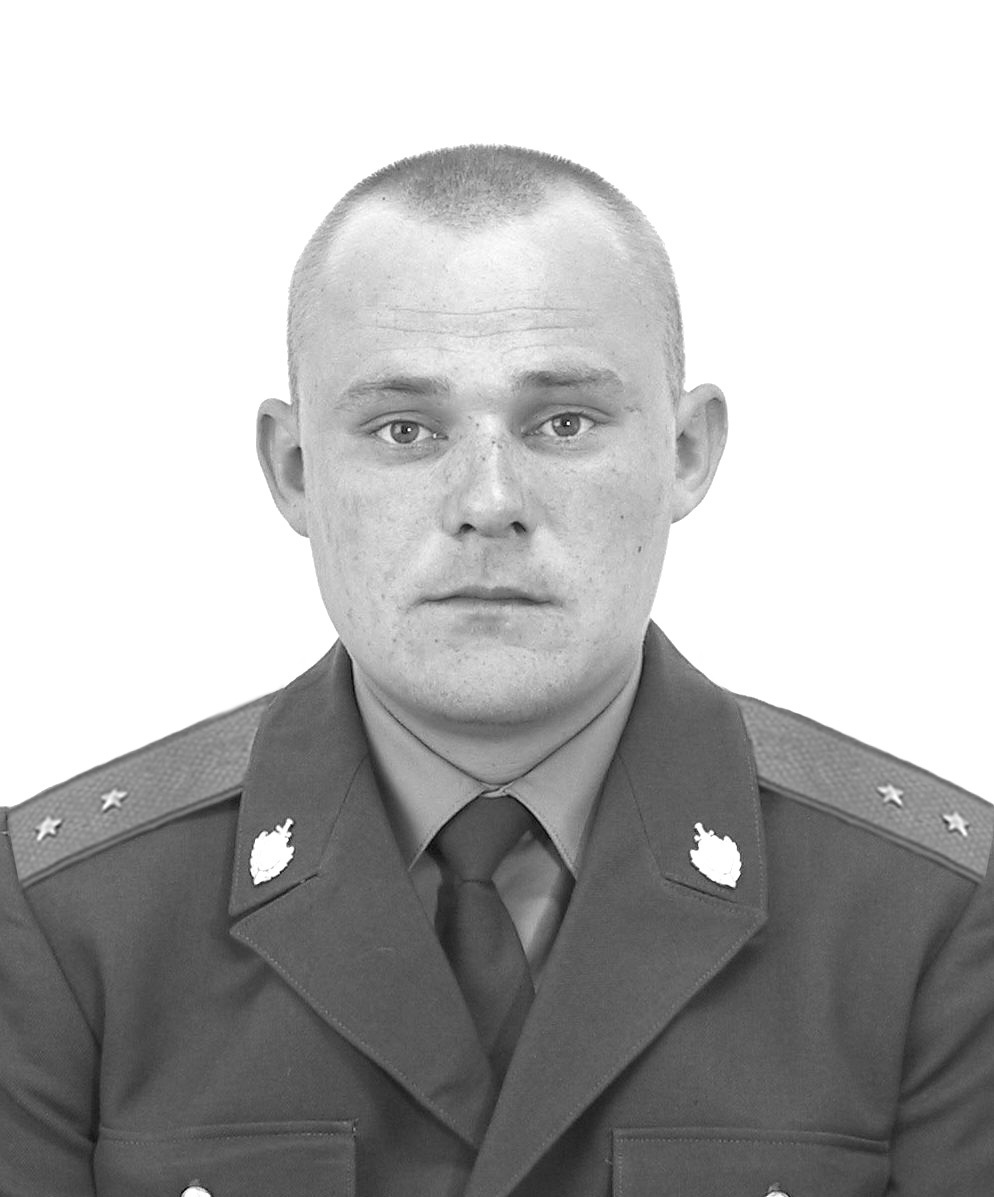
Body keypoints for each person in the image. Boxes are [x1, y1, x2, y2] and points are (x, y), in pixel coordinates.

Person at [1, 145, 991, 1197]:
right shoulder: (65, 923)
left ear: (687, 451)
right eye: (404, 429)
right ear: (294, 470)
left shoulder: (929, 920)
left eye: (563, 422)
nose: (487, 501)